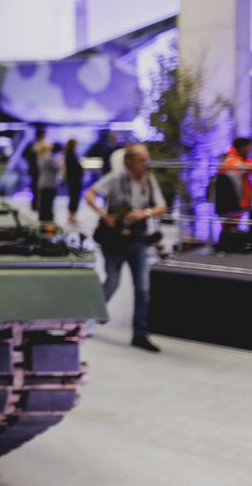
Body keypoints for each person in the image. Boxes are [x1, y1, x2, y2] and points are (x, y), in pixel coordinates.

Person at [83, 143, 168, 353]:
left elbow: (161, 207)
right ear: (128, 161)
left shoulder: (149, 180)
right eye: (141, 160)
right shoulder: (116, 177)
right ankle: (89, 320)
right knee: (112, 282)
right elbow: (89, 195)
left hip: (138, 239)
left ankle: (140, 334)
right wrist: (104, 215)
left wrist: (144, 213)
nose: (145, 164)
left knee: (143, 289)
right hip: (114, 240)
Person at [218, 136, 252, 219]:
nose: (250, 150)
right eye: (249, 148)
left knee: (234, 226)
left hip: (238, 201)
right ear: (242, 147)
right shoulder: (230, 159)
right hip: (229, 201)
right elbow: (241, 167)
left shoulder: (241, 158)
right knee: (229, 227)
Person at [36, 141, 60, 223]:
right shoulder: (48, 158)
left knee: (43, 204)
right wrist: (60, 161)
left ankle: (43, 218)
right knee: (48, 204)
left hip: (43, 183)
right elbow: (57, 168)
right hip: (49, 183)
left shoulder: (40, 157)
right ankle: (47, 220)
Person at [65, 139, 84, 227]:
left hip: (74, 180)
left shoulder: (71, 154)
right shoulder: (70, 155)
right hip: (74, 181)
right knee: (74, 198)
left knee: (74, 198)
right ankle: (71, 216)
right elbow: (73, 168)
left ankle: (72, 216)